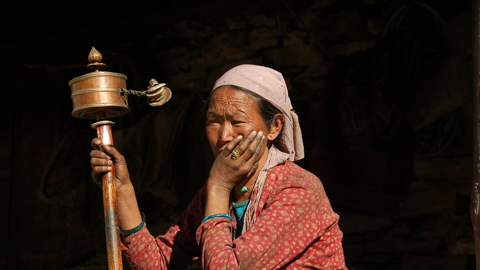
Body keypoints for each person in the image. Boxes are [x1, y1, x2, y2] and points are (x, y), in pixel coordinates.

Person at [90, 64, 347, 269]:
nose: (224, 135)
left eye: (237, 122)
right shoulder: (215, 193)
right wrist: (123, 190)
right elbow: (158, 263)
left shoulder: (297, 189)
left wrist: (219, 186)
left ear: (275, 127)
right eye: (214, 121)